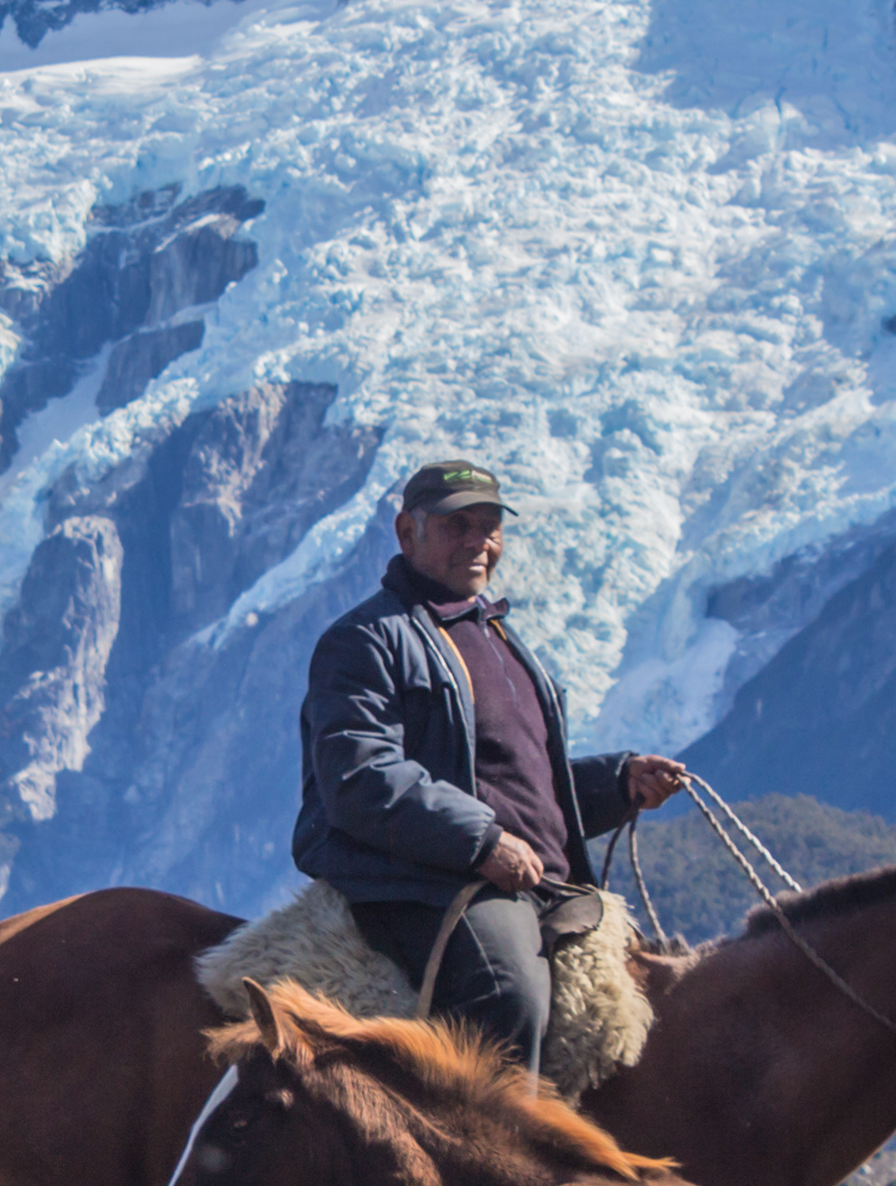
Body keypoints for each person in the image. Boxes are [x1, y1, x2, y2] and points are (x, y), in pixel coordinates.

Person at [293, 458, 694, 1080]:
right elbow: (359, 777)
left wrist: (618, 784)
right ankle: (477, 1145)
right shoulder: (367, 640)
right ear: (407, 532)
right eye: (458, 525)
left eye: (490, 526)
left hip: (534, 882)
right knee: (508, 993)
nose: (479, 540)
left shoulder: (498, 638)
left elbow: (523, 788)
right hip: (430, 881)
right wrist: (480, 842)